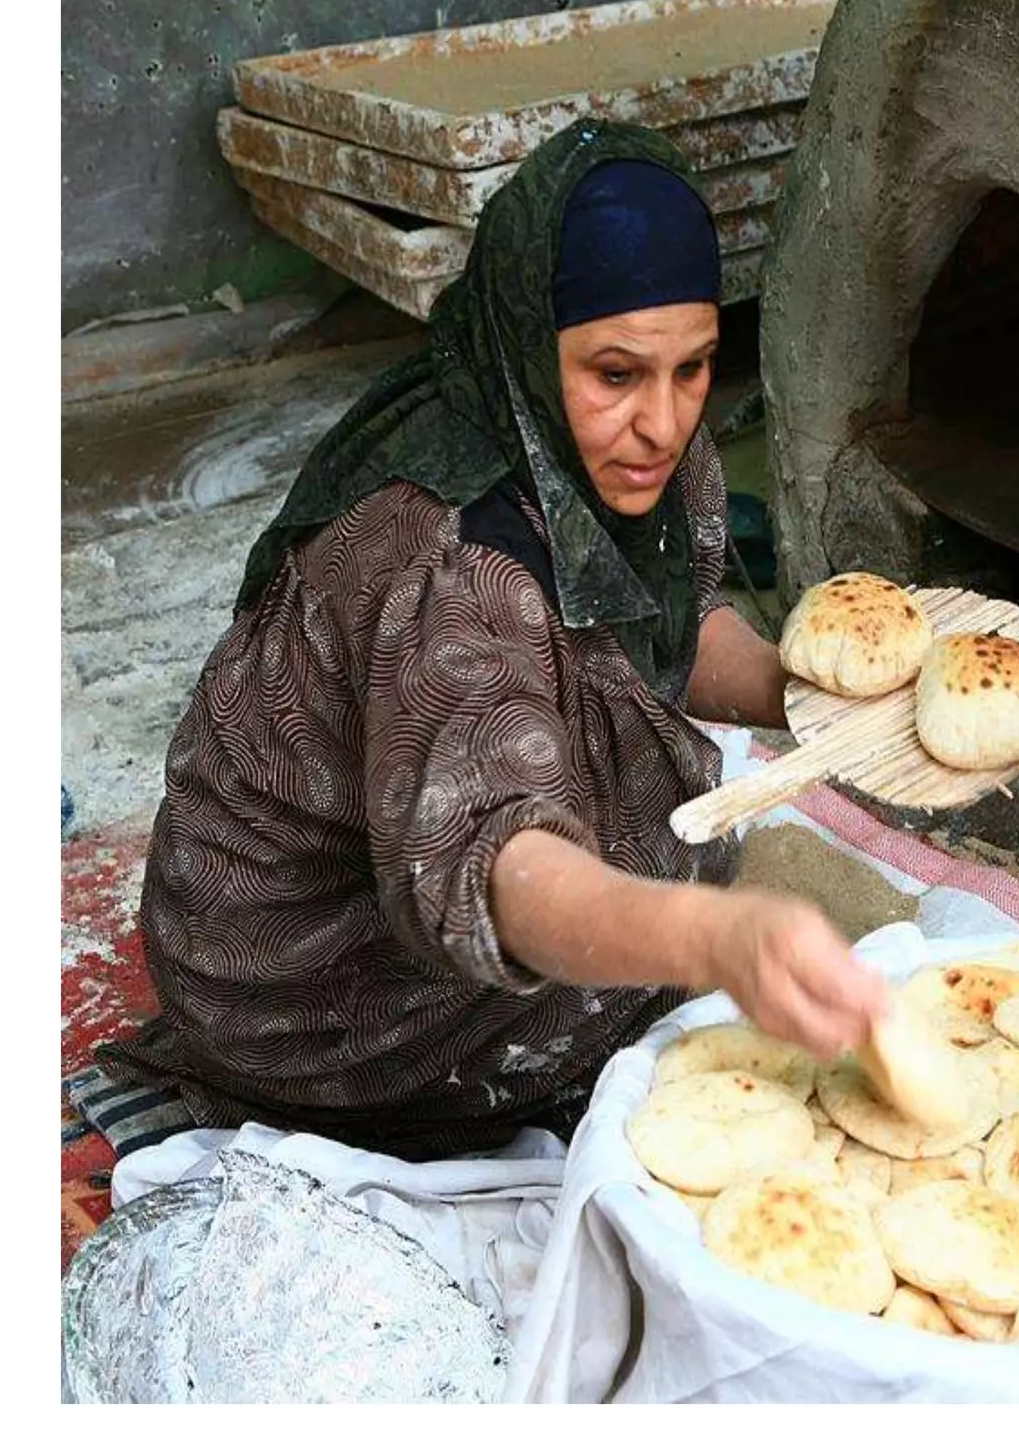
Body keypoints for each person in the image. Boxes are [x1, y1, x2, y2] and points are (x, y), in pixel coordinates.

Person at [97, 120, 887, 1158]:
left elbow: (672, 631)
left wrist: (813, 694)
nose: (662, 422)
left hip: (436, 845)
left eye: (693, 368)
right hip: (315, 986)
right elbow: (496, 865)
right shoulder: (453, 566)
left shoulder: (632, 459)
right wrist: (710, 939)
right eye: (615, 374)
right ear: (528, 341)